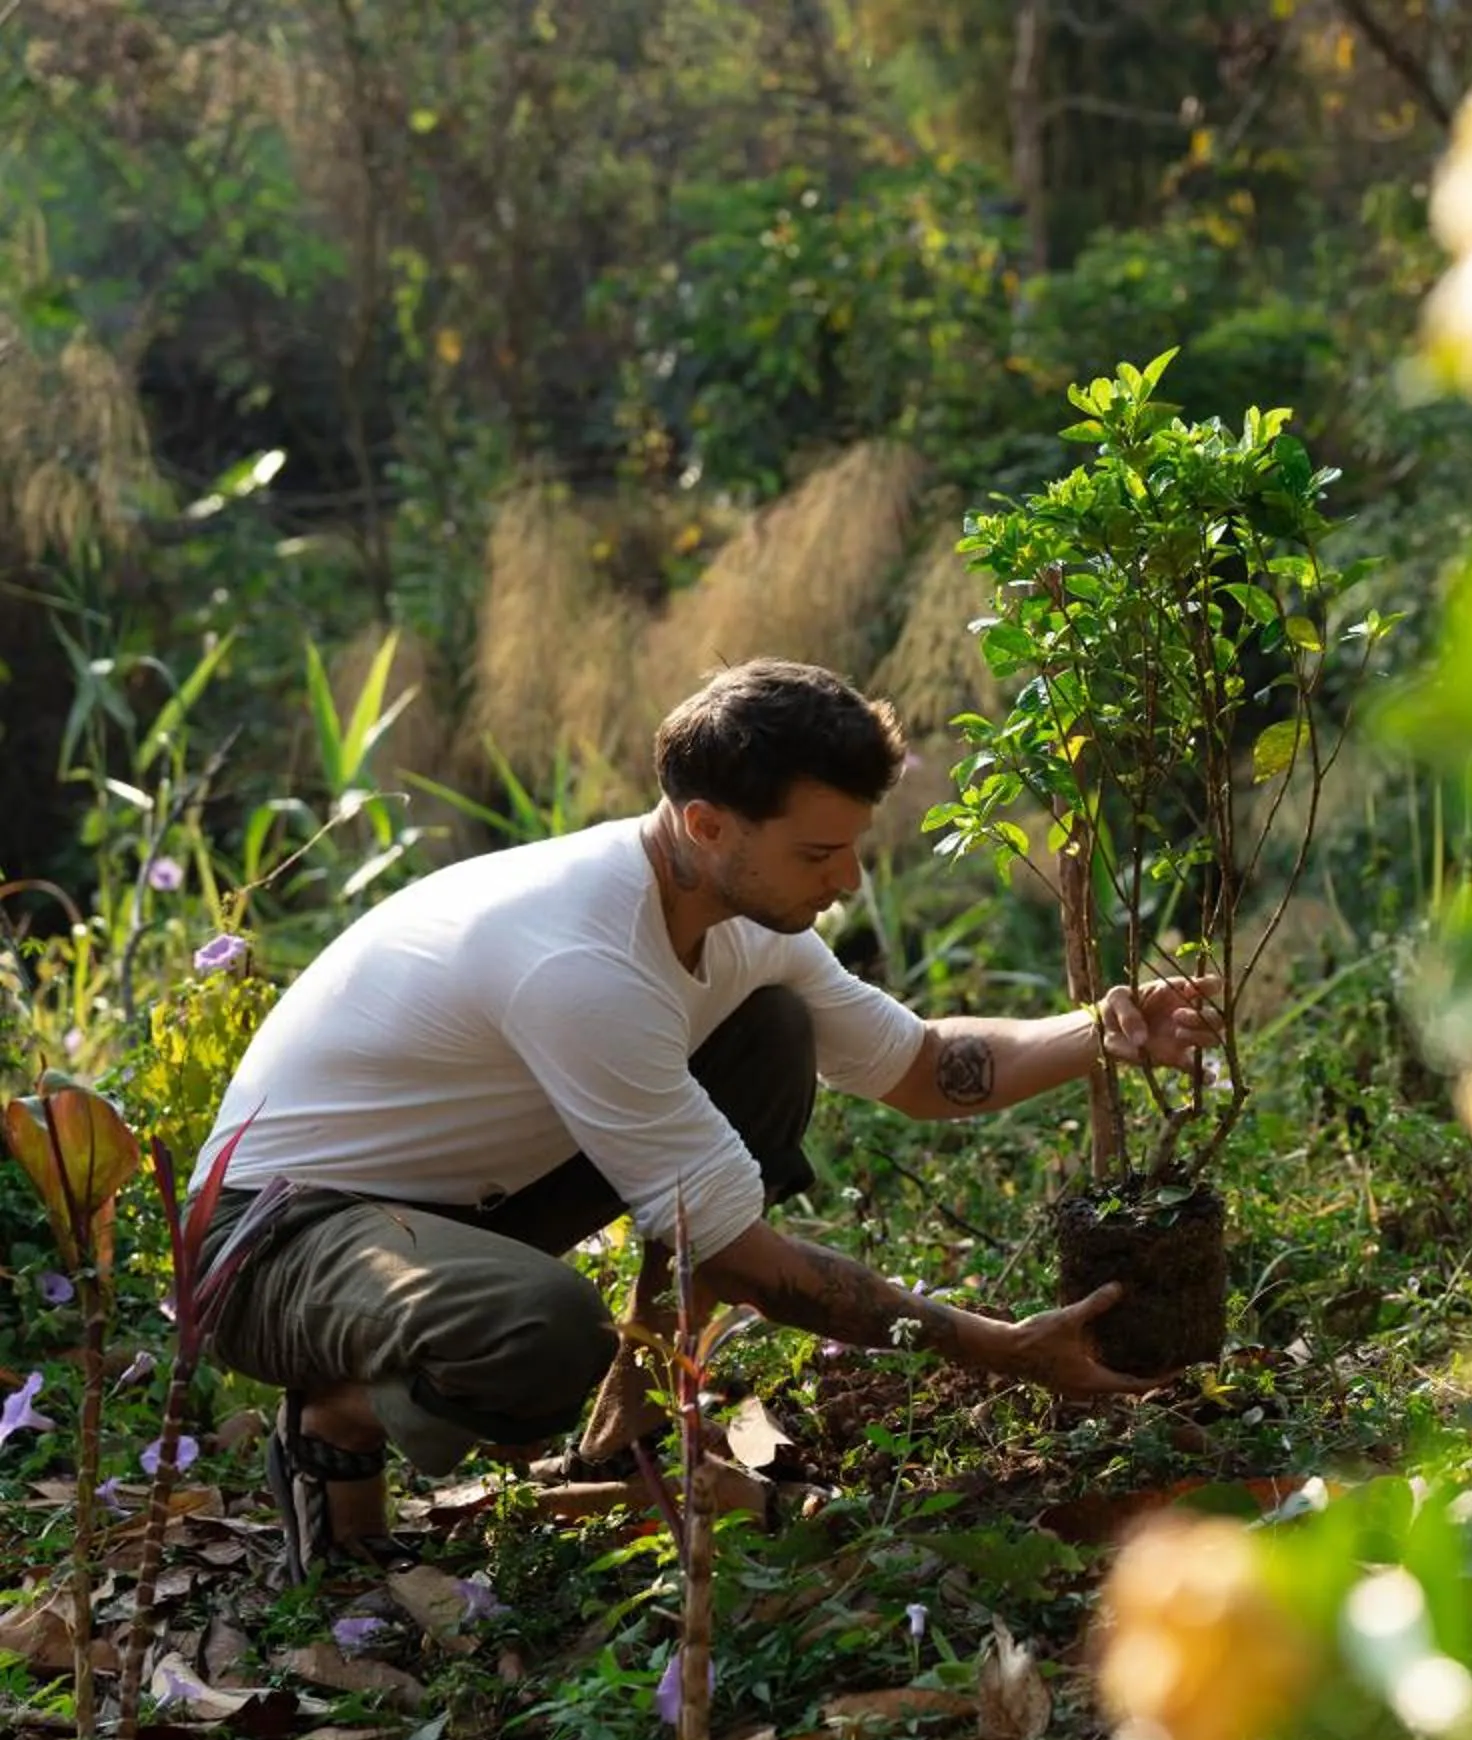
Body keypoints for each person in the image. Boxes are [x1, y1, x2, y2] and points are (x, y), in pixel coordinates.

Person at [195, 658, 1213, 1580]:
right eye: (820, 851)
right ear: (706, 824)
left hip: (455, 1201)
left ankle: (629, 1425)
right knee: (542, 1333)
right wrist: (1001, 1346)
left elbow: (921, 1067)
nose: (847, 880)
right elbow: (739, 1258)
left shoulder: (736, 923)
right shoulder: (582, 960)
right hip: (276, 1238)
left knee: (769, 1028)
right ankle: (336, 1414)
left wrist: (1104, 1030)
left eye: (851, 847)